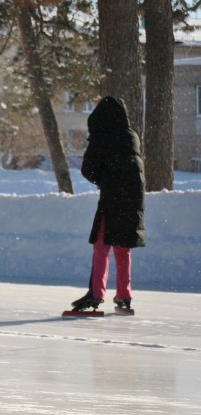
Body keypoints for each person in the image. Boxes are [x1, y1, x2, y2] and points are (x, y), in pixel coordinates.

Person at [71, 96, 146, 312]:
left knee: (101, 244)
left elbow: (88, 169)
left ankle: (96, 293)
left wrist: (101, 179)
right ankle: (124, 295)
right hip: (134, 198)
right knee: (122, 246)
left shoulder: (103, 136)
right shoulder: (131, 135)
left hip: (112, 197)